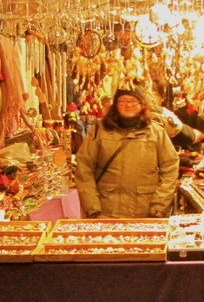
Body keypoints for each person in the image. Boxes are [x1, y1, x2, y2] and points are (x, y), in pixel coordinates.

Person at [74, 87, 179, 218]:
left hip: (146, 213)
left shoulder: (156, 132)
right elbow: (84, 168)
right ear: (115, 104)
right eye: (123, 101)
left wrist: (159, 207)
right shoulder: (98, 131)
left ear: (142, 105)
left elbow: (170, 168)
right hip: (107, 212)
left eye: (133, 101)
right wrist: (93, 208)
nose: (128, 105)